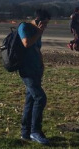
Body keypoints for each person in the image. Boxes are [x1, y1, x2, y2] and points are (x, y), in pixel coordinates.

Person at [18, 9, 51, 145]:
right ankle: (35, 131)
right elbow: (26, 43)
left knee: (30, 101)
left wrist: (42, 65)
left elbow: (36, 49)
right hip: (26, 70)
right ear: (37, 21)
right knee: (40, 98)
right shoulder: (24, 27)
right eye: (44, 24)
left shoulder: (37, 31)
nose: (46, 27)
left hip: (36, 70)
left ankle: (25, 132)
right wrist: (39, 31)